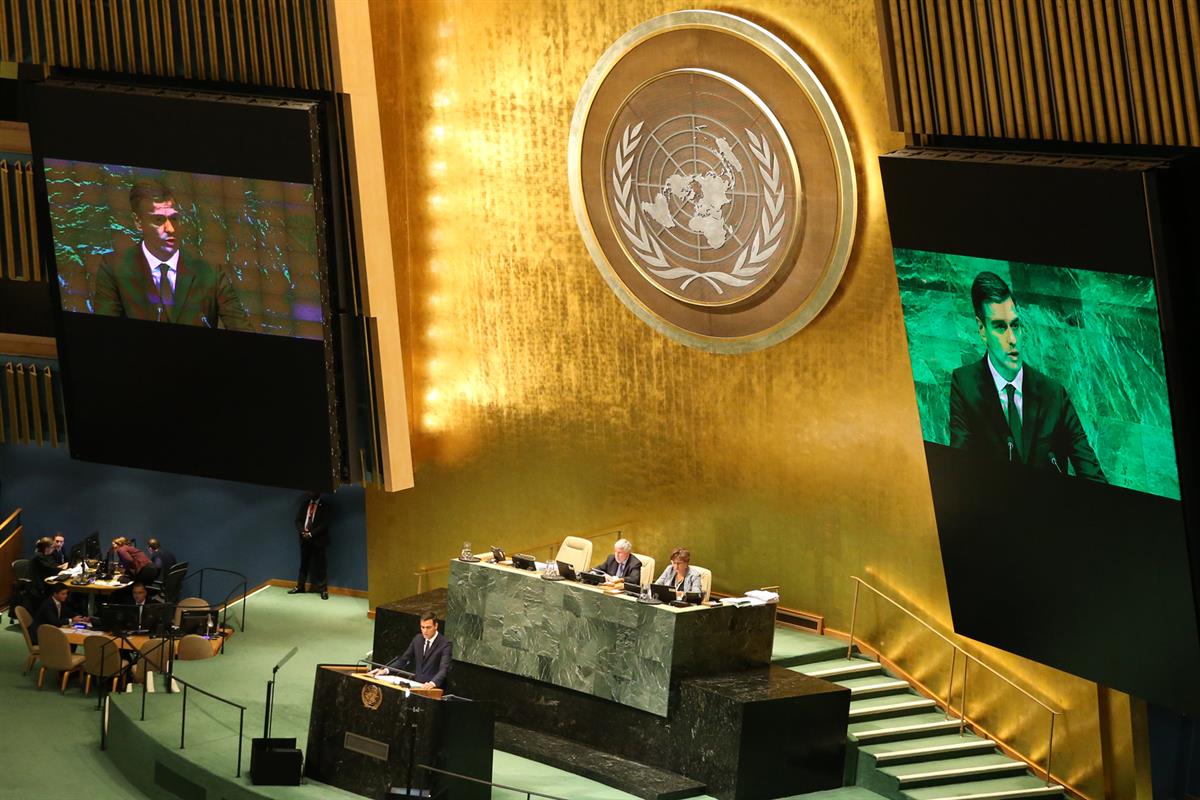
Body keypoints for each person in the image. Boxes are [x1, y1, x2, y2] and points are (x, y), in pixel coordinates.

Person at [948, 271, 1105, 481]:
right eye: (1000, 327)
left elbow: (1091, 472)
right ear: (981, 329)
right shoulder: (964, 384)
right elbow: (960, 471)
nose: (1012, 339)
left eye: (1015, 325)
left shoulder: (1054, 395)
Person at [91, 179, 252, 331]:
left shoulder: (210, 274)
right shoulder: (114, 269)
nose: (171, 228)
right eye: (159, 220)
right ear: (138, 222)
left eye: (174, 218)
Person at [369, 611, 452, 689]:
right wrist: (385, 670)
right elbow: (404, 659)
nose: (425, 631)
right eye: (422, 627)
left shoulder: (445, 644)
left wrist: (432, 683)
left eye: (428, 627)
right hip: (416, 686)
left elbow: (443, 669)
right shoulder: (418, 639)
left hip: (433, 689)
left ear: (436, 626)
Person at [291, 491, 331, 599]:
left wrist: (311, 534)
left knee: (321, 566)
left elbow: (325, 523)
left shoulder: (325, 505)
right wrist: (302, 532)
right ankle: (300, 586)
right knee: (303, 565)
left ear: (319, 492)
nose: (311, 493)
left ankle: (323, 590)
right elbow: (298, 520)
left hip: (318, 540)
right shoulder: (304, 504)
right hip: (304, 540)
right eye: (310, 491)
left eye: (314, 491)